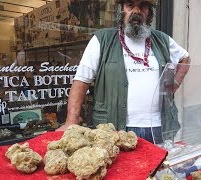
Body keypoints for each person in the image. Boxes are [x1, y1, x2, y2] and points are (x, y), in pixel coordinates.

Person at [57, 0, 190, 144]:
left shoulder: (162, 39)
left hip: (158, 128)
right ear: (121, 10)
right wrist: (71, 121)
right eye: (130, 5)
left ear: (149, 12)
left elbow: (185, 59)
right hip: (114, 130)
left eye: (143, 6)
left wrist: (172, 86)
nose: (136, 11)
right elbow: (81, 82)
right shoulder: (102, 40)